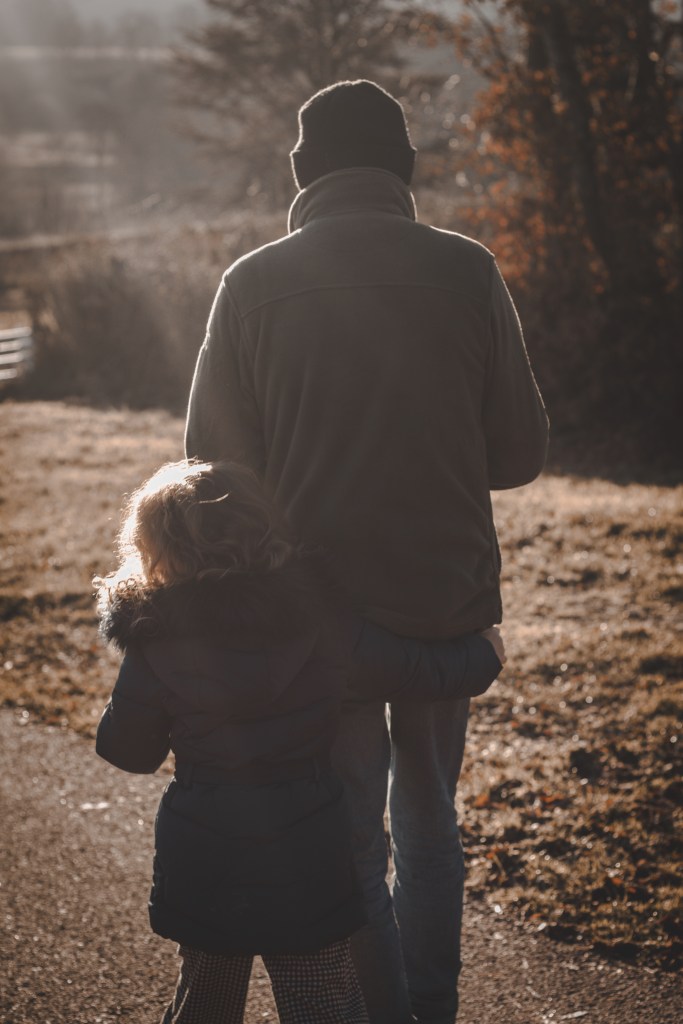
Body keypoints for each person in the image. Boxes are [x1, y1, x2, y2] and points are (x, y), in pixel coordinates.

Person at [184, 80, 548, 1024]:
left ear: (304, 174)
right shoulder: (467, 270)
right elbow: (519, 455)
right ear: (403, 170)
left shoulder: (251, 283)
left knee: (352, 836)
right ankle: (433, 1010)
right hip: (444, 603)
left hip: (318, 615)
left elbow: (209, 469)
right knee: (430, 815)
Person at [95, 459, 505, 1024]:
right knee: (325, 1004)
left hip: (205, 856)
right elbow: (410, 669)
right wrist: (483, 655)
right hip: (309, 854)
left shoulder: (157, 637)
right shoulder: (321, 620)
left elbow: (128, 751)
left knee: (205, 1004)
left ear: (155, 549)